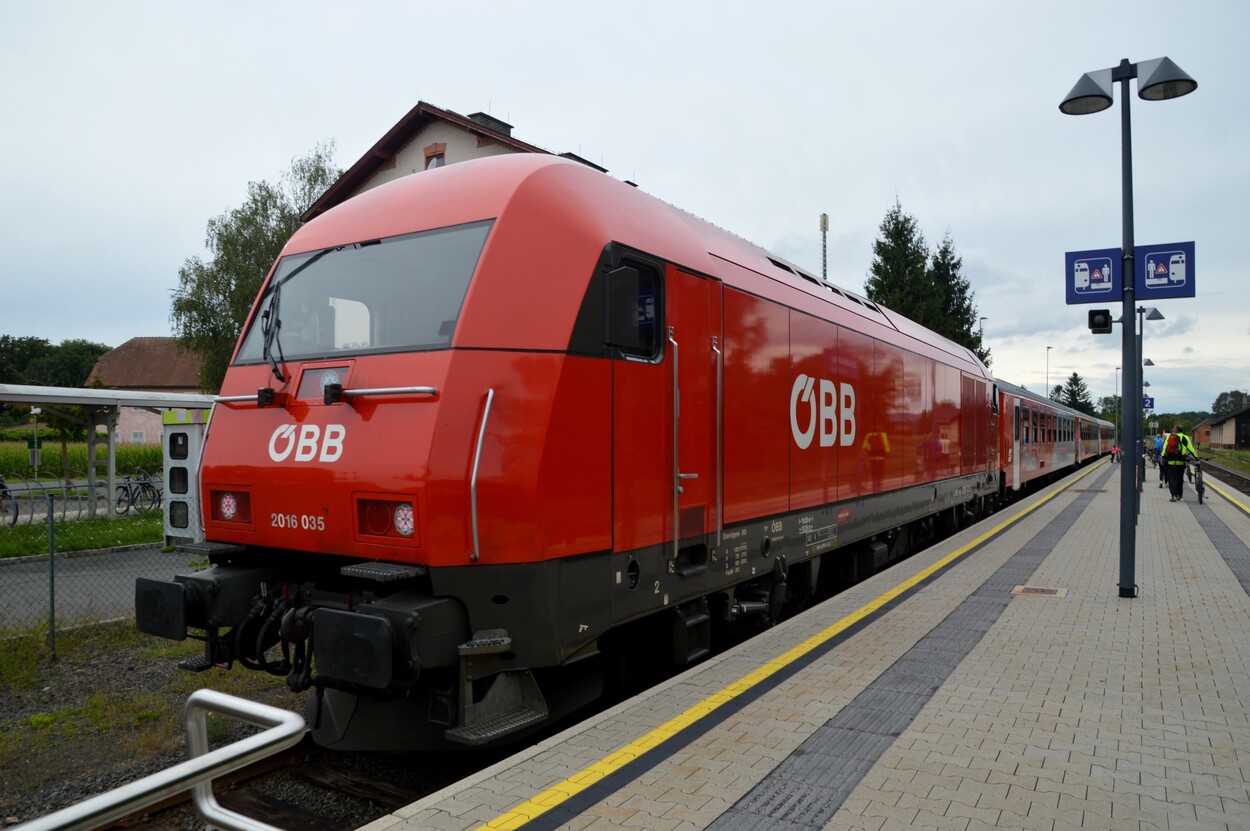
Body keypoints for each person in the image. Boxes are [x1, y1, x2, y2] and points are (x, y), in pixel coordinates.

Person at [1162, 424, 1198, 502]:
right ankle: (1179, 495)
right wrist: (1196, 458)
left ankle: (1173, 496)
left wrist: (1162, 457)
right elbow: (1191, 449)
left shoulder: (1169, 436)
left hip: (1171, 462)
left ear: (1176, 430)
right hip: (1181, 462)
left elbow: (1165, 447)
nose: (1173, 429)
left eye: (1174, 428)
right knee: (1180, 479)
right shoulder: (1185, 437)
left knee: (1172, 479)